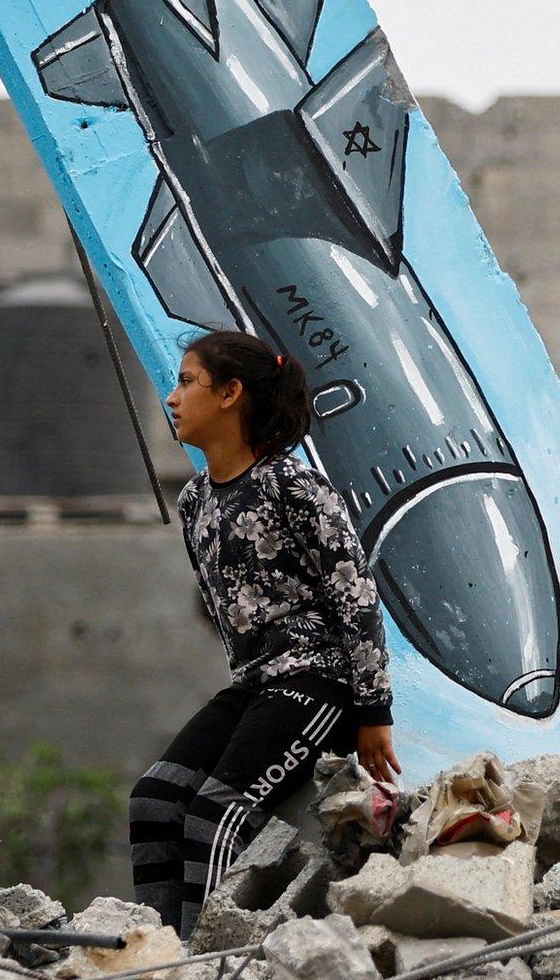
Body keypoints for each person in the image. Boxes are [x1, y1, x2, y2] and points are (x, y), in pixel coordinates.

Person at [129, 329, 400, 938]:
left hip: (318, 682)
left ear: (230, 394)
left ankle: (210, 958)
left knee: (215, 817)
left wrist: (372, 710)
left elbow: (356, 599)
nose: (172, 398)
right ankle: (159, 946)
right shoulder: (196, 499)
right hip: (254, 683)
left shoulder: (295, 487)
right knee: (154, 800)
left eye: (186, 382)